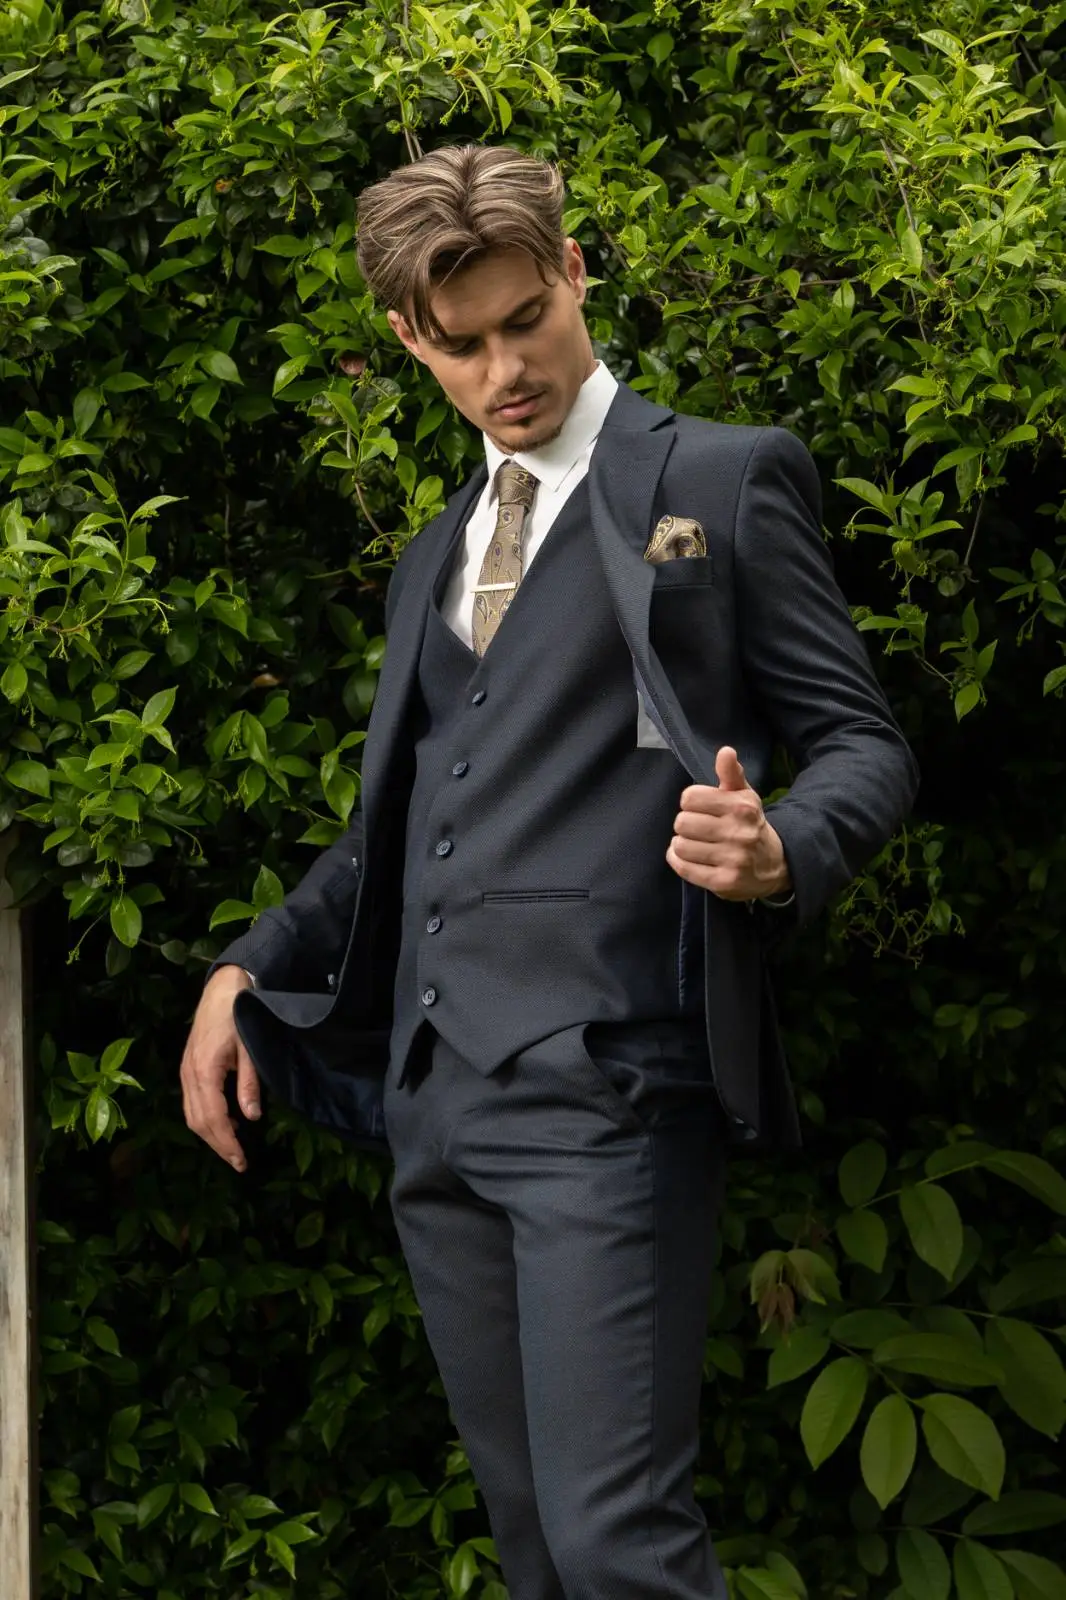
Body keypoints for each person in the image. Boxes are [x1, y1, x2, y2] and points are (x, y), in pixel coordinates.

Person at [180, 144, 918, 1599]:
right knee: (537, 1556)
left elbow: (862, 744)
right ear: (411, 339)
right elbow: (400, 827)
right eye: (462, 345)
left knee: (614, 1543)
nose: (505, 371)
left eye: (527, 320)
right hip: (437, 1103)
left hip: (610, 1087)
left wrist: (781, 849)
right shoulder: (434, 556)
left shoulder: (715, 479)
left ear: (574, 275)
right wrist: (245, 965)